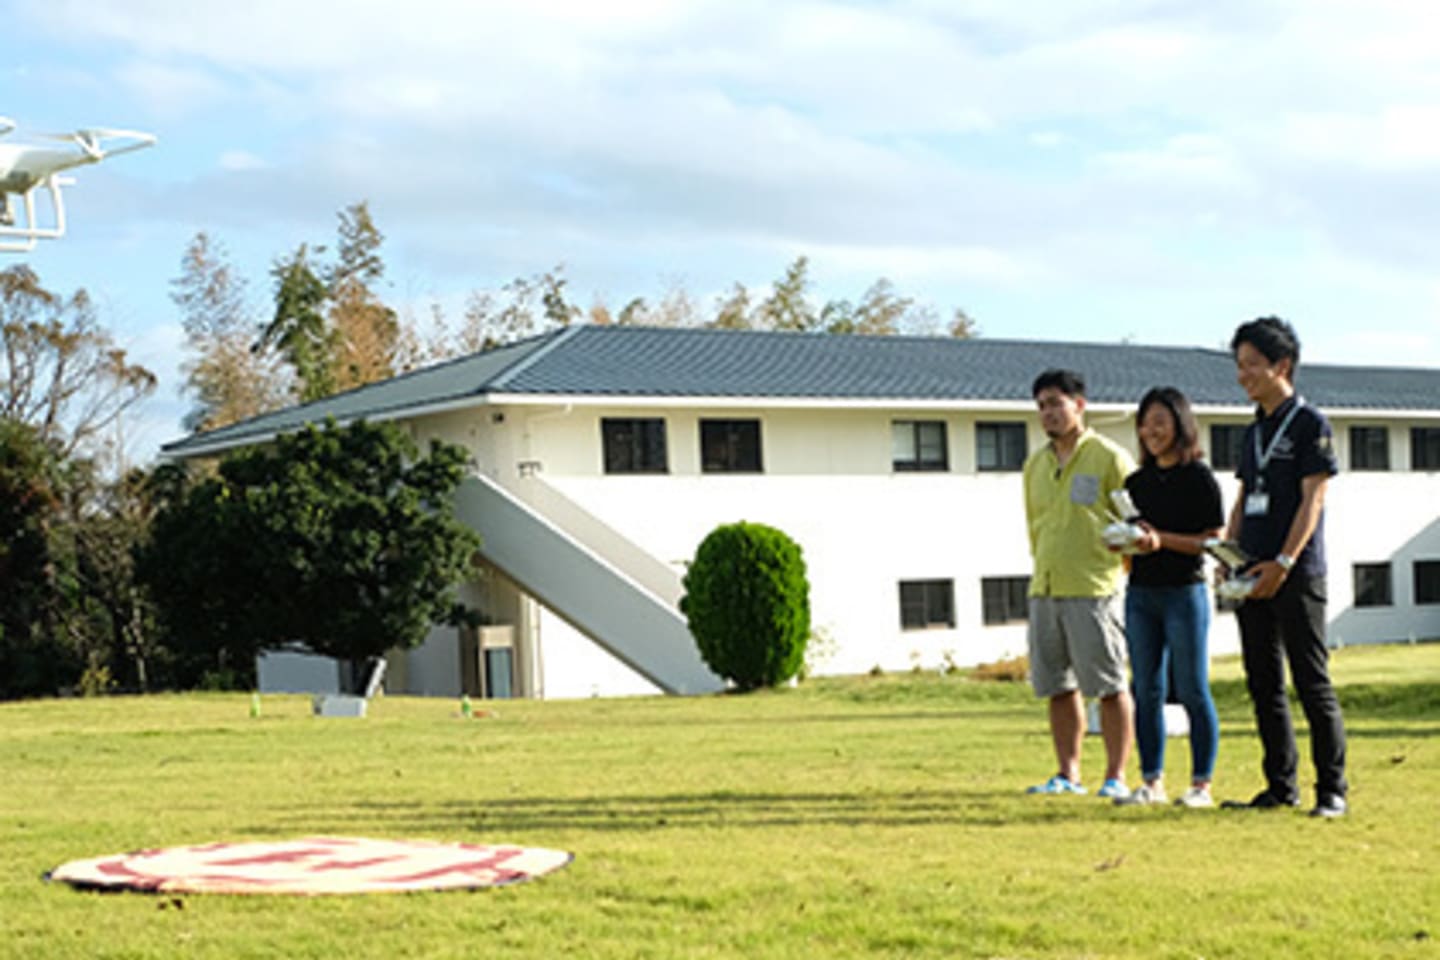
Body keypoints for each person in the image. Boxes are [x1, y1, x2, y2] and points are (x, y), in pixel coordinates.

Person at [1221, 317, 1348, 818]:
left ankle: (1332, 791)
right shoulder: (1253, 432)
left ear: (1282, 366)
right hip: (1250, 575)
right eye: (1239, 365)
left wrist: (1284, 562)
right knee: (1264, 684)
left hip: (1295, 574)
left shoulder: (1309, 423)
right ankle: (1280, 786)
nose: (1243, 375)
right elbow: (1242, 497)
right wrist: (1228, 554)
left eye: (1252, 365)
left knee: (1311, 682)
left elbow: (1312, 499)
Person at [1022, 369, 1135, 799]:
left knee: (1107, 684)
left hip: (1093, 587)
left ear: (1079, 404)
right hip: (1046, 585)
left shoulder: (1109, 457)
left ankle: (1116, 777)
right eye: (1042, 406)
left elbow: (1134, 522)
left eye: (1056, 402)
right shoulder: (1035, 464)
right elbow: (1035, 526)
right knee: (1057, 685)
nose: (1048, 413)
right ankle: (1068, 774)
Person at [1112, 387, 1224, 808]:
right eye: (1145, 422)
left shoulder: (1198, 477)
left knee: (1193, 688)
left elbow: (1212, 541)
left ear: (1181, 424)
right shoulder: (1135, 482)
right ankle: (1151, 782)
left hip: (1184, 592)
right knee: (1146, 689)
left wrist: (1162, 541)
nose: (1151, 430)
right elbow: (1134, 534)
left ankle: (1201, 785)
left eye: (1160, 421)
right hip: (1141, 593)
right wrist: (1123, 543)